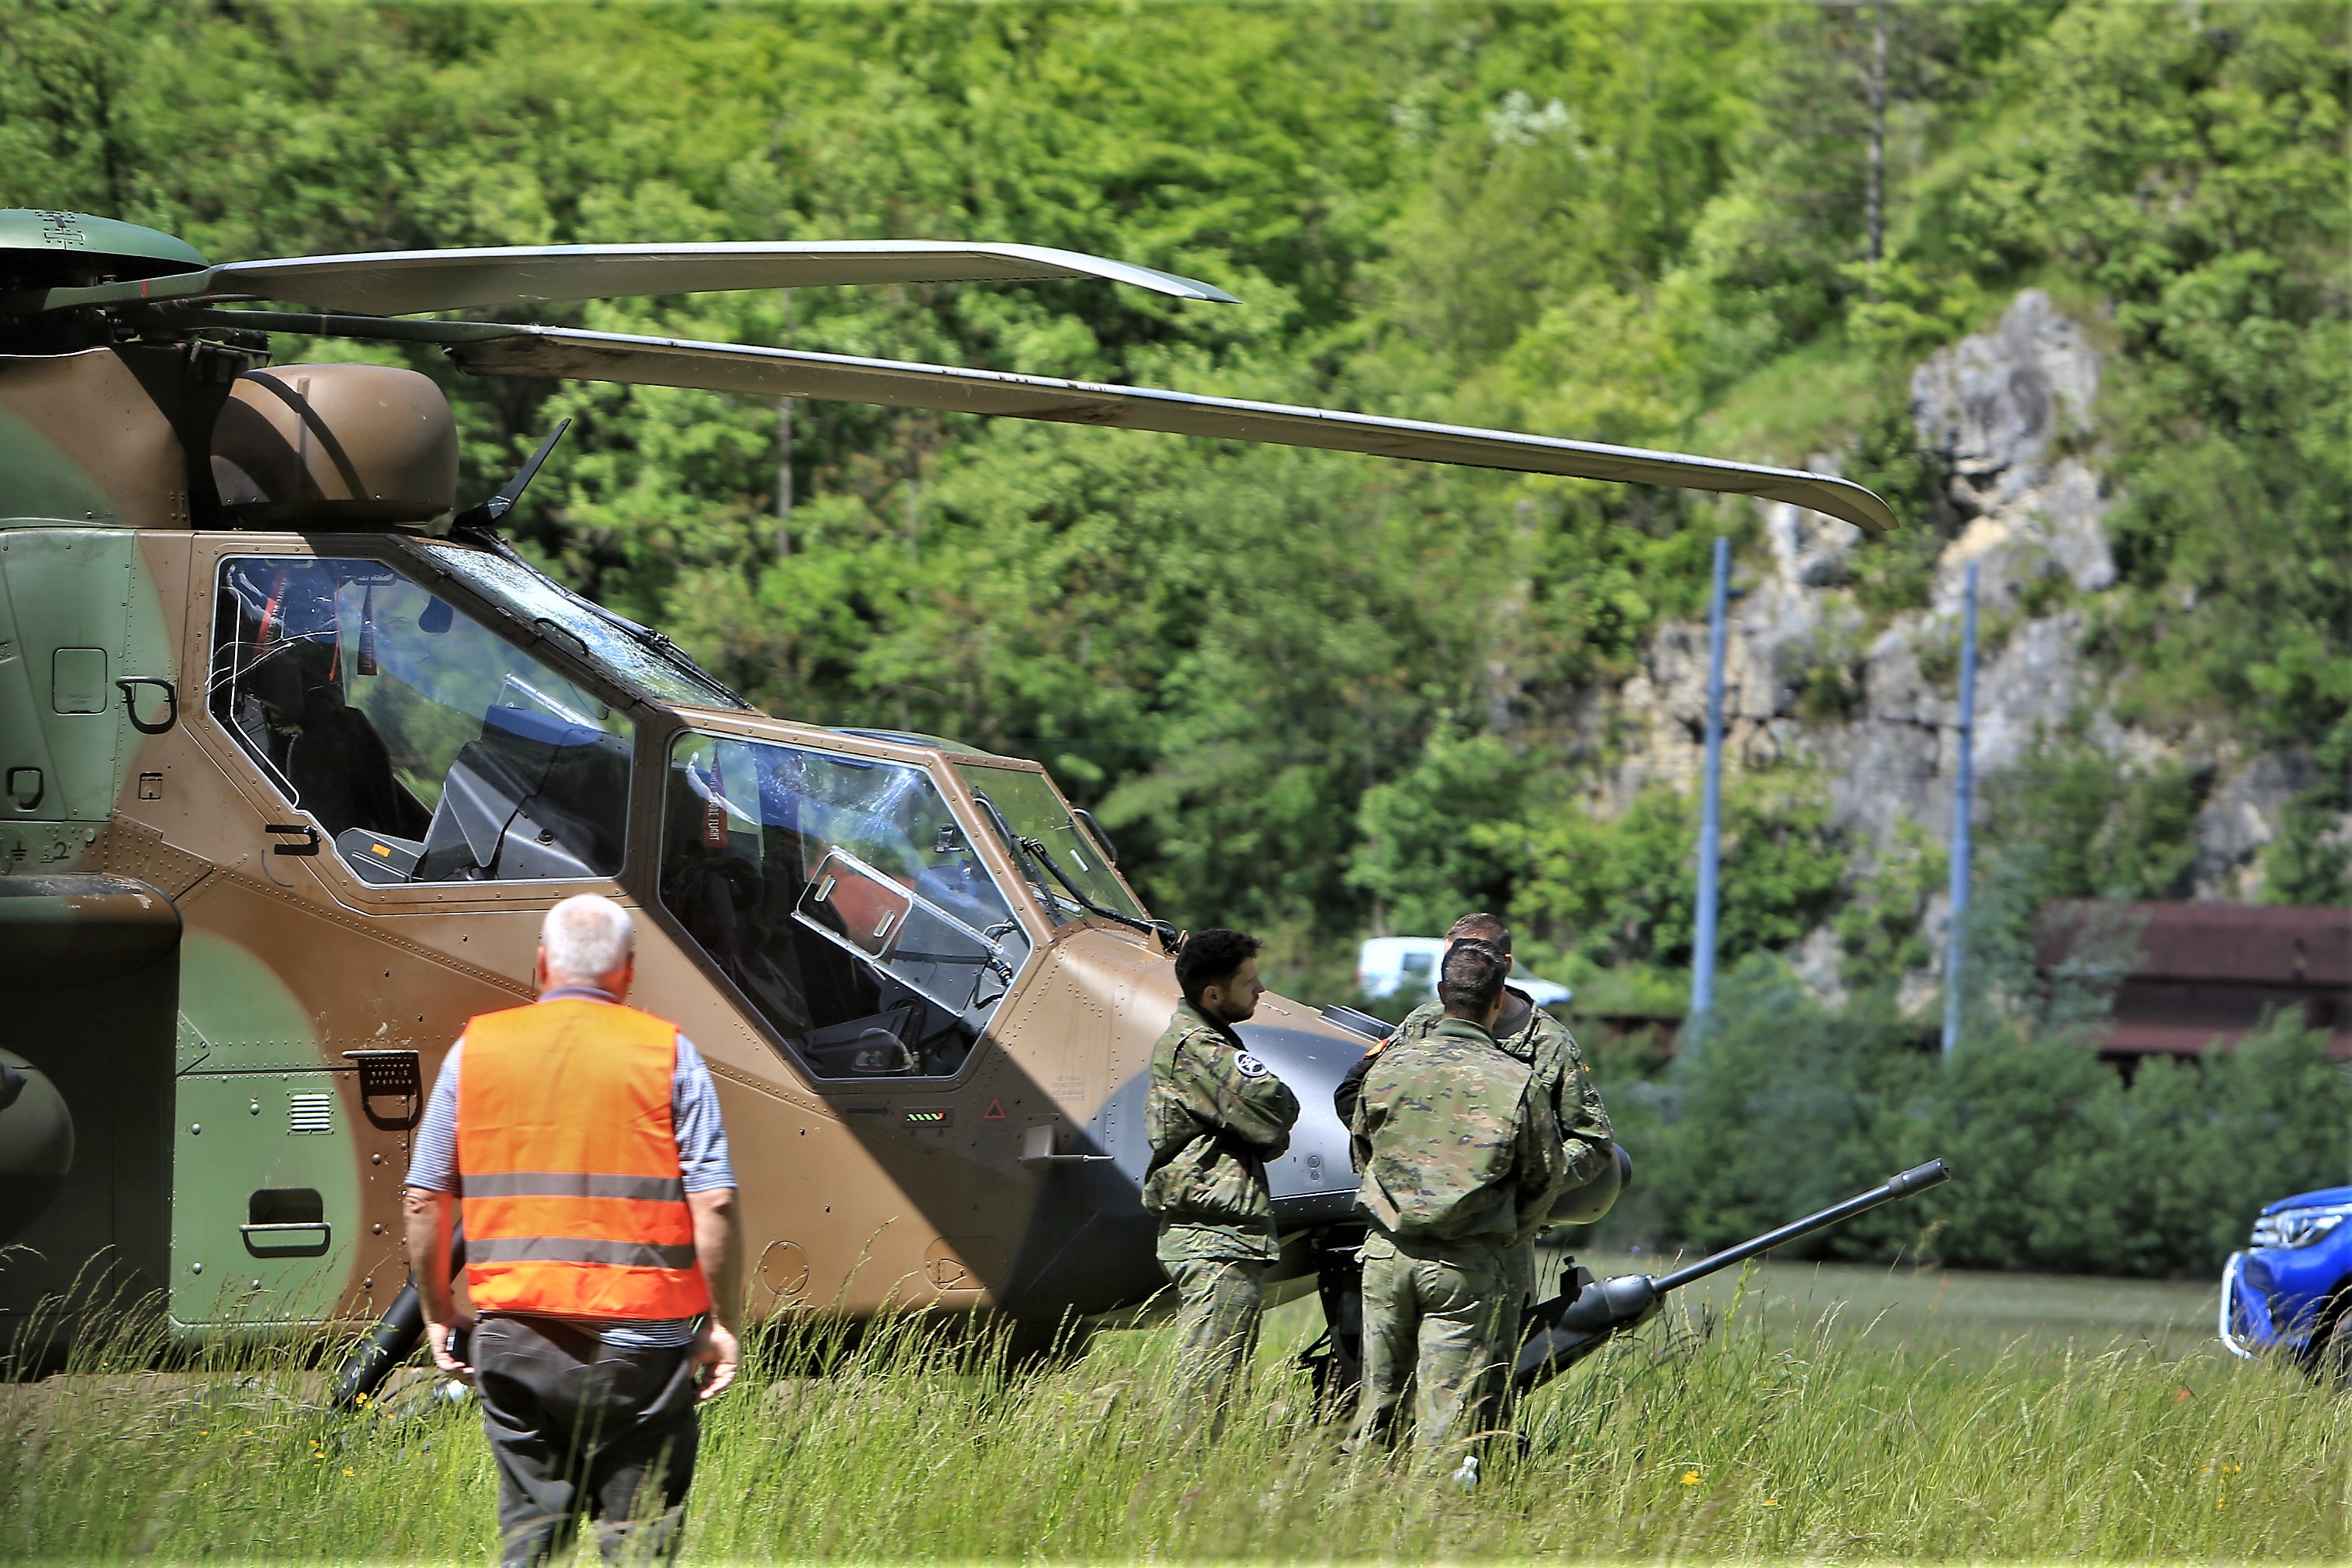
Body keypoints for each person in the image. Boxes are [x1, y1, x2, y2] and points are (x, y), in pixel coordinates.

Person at [404, 894, 743, 1566]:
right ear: (629, 970)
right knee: (639, 1541)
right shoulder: (669, 1054)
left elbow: (422, 1198)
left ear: (541, 964)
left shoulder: (476, 1050)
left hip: (514, 1337)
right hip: (641, 1349)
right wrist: (721, 1322)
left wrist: (439, 1311)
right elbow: (715, 1202)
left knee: (530, 1543)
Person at [1337, 912, 1611, 1381]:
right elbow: (1361, 1104)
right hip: (1406, 1234)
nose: (1460, 971)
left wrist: (1514, 1184)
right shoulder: (1423, 1024)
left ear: (1504, 966)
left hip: (1496, 1241)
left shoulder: (1548, 1043)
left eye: (1473, 957)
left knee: (1485, 1380)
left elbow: (1592, 1141)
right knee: (1385, 1382)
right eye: (1452, 960)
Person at [1346, 939, 1568, 1472]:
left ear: (1442, 993)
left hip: (1386, 1257)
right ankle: (1433, 1515)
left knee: (1377, 1403)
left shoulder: (1389, 1067)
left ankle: (1357, 1505)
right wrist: (1509, 1230)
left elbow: (1362, 1150)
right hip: (1464, 1265)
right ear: (1498, 1000)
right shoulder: (1516, 1081)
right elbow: (1544, 1175)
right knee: (1447, 1418)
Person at [1142, 927, 1300, 1436]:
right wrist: (1262, 1129)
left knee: (1219, 1386)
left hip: (1223, 1234)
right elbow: (1276, 1106)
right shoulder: (1199, 1046)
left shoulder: (1210, 1041)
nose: (1261, 990)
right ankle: (1181, 1476)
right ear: (1213, 994)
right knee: (1205, 1393)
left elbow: (1267, 1118)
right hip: (1212, 1236)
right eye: (1249, 982)